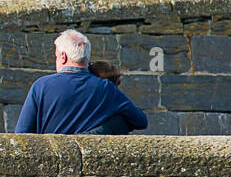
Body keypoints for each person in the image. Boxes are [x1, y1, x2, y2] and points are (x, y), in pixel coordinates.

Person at [14, 30, 147, 135]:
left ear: (63, 56)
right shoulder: (106, 88)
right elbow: (141, 121)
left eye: (56, 56)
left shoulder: (41, 86)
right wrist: (105, 127)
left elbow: (22, 133)